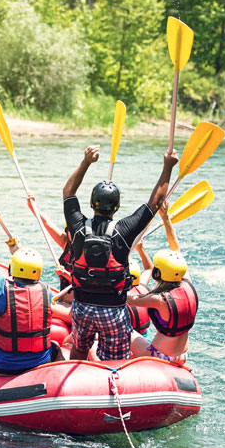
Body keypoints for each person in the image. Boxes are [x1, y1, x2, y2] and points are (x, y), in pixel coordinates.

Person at [63, 145, 179, 361]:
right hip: (113, 310)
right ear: (117, 207)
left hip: (82, 308)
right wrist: (167, 167)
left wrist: (86, 161)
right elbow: (155, 203)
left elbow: (68, 193)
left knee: (79, 349)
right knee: (115, 359)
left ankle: (77, 369)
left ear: (91, 203)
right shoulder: (124, 230)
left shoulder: (78, 226)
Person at [0, 202, 69, 375]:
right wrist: (18, 253)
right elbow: (29, 284)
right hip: (40, 361)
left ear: (13, 267)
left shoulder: (0, 289)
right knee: (55, 347)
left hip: (6, 365)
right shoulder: (46, 292)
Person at [128, 202, 198, 362]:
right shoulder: (187, 283)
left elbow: (128, 299)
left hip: (160, 355)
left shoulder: (159, 300)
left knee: (127, 330)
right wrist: (166, 218)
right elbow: (176, 249)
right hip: (182, 356)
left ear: (157, 273)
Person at [26, 195, 73, 292]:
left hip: (80, 300)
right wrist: (32, 207)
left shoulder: (87, 250)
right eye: (70, 231)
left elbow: (86, 283)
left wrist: (64, 274)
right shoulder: (66, 243)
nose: (74, 235)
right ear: (66, 231)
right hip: (64, 296)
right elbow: (47, 223)